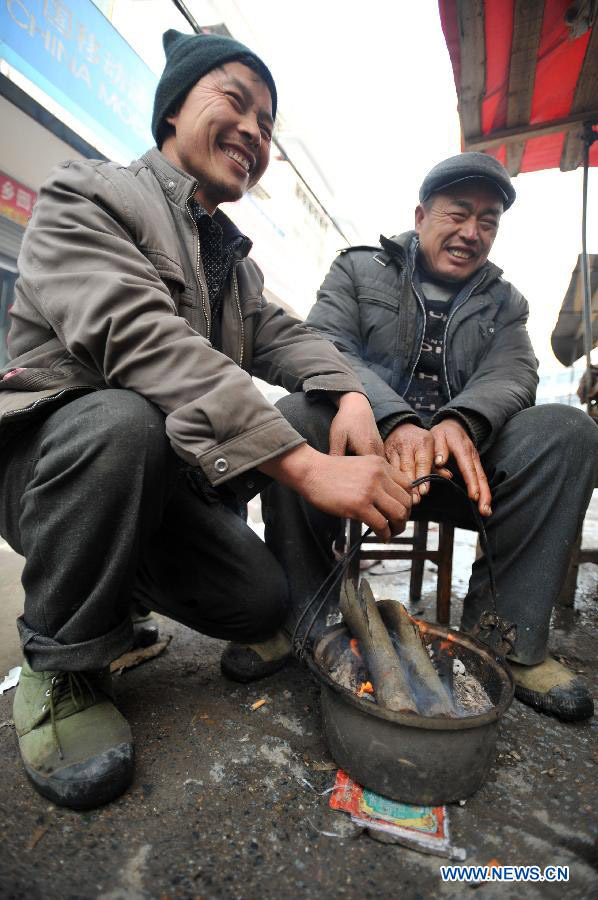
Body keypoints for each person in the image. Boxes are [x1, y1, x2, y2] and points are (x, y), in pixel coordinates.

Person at [0, 29, 413, 810]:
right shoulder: (86, 193)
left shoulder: (234, 263)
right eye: (237, 102)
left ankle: (120, 598)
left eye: (267, 125)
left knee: (256, 602)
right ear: (172, 112)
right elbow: (141, 338)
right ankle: (60, 665)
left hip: (150, 488)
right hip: (51, 470)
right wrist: (303, 464)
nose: (255, 134)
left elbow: (290, 337)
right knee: (124, 420)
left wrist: (352, 394)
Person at [257, 152, 597, 724]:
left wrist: (459, 422)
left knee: (569, 431)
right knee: (294, 414)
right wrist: (393, 420)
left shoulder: (505, 301)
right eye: (458, 213)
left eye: (488, 221)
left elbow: (514, 372)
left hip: (465, 471)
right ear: (420, 216)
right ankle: (301, 620)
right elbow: (323, 344)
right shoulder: (358, 271)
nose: (471, 232)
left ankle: (506, 640)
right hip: (363, 459)